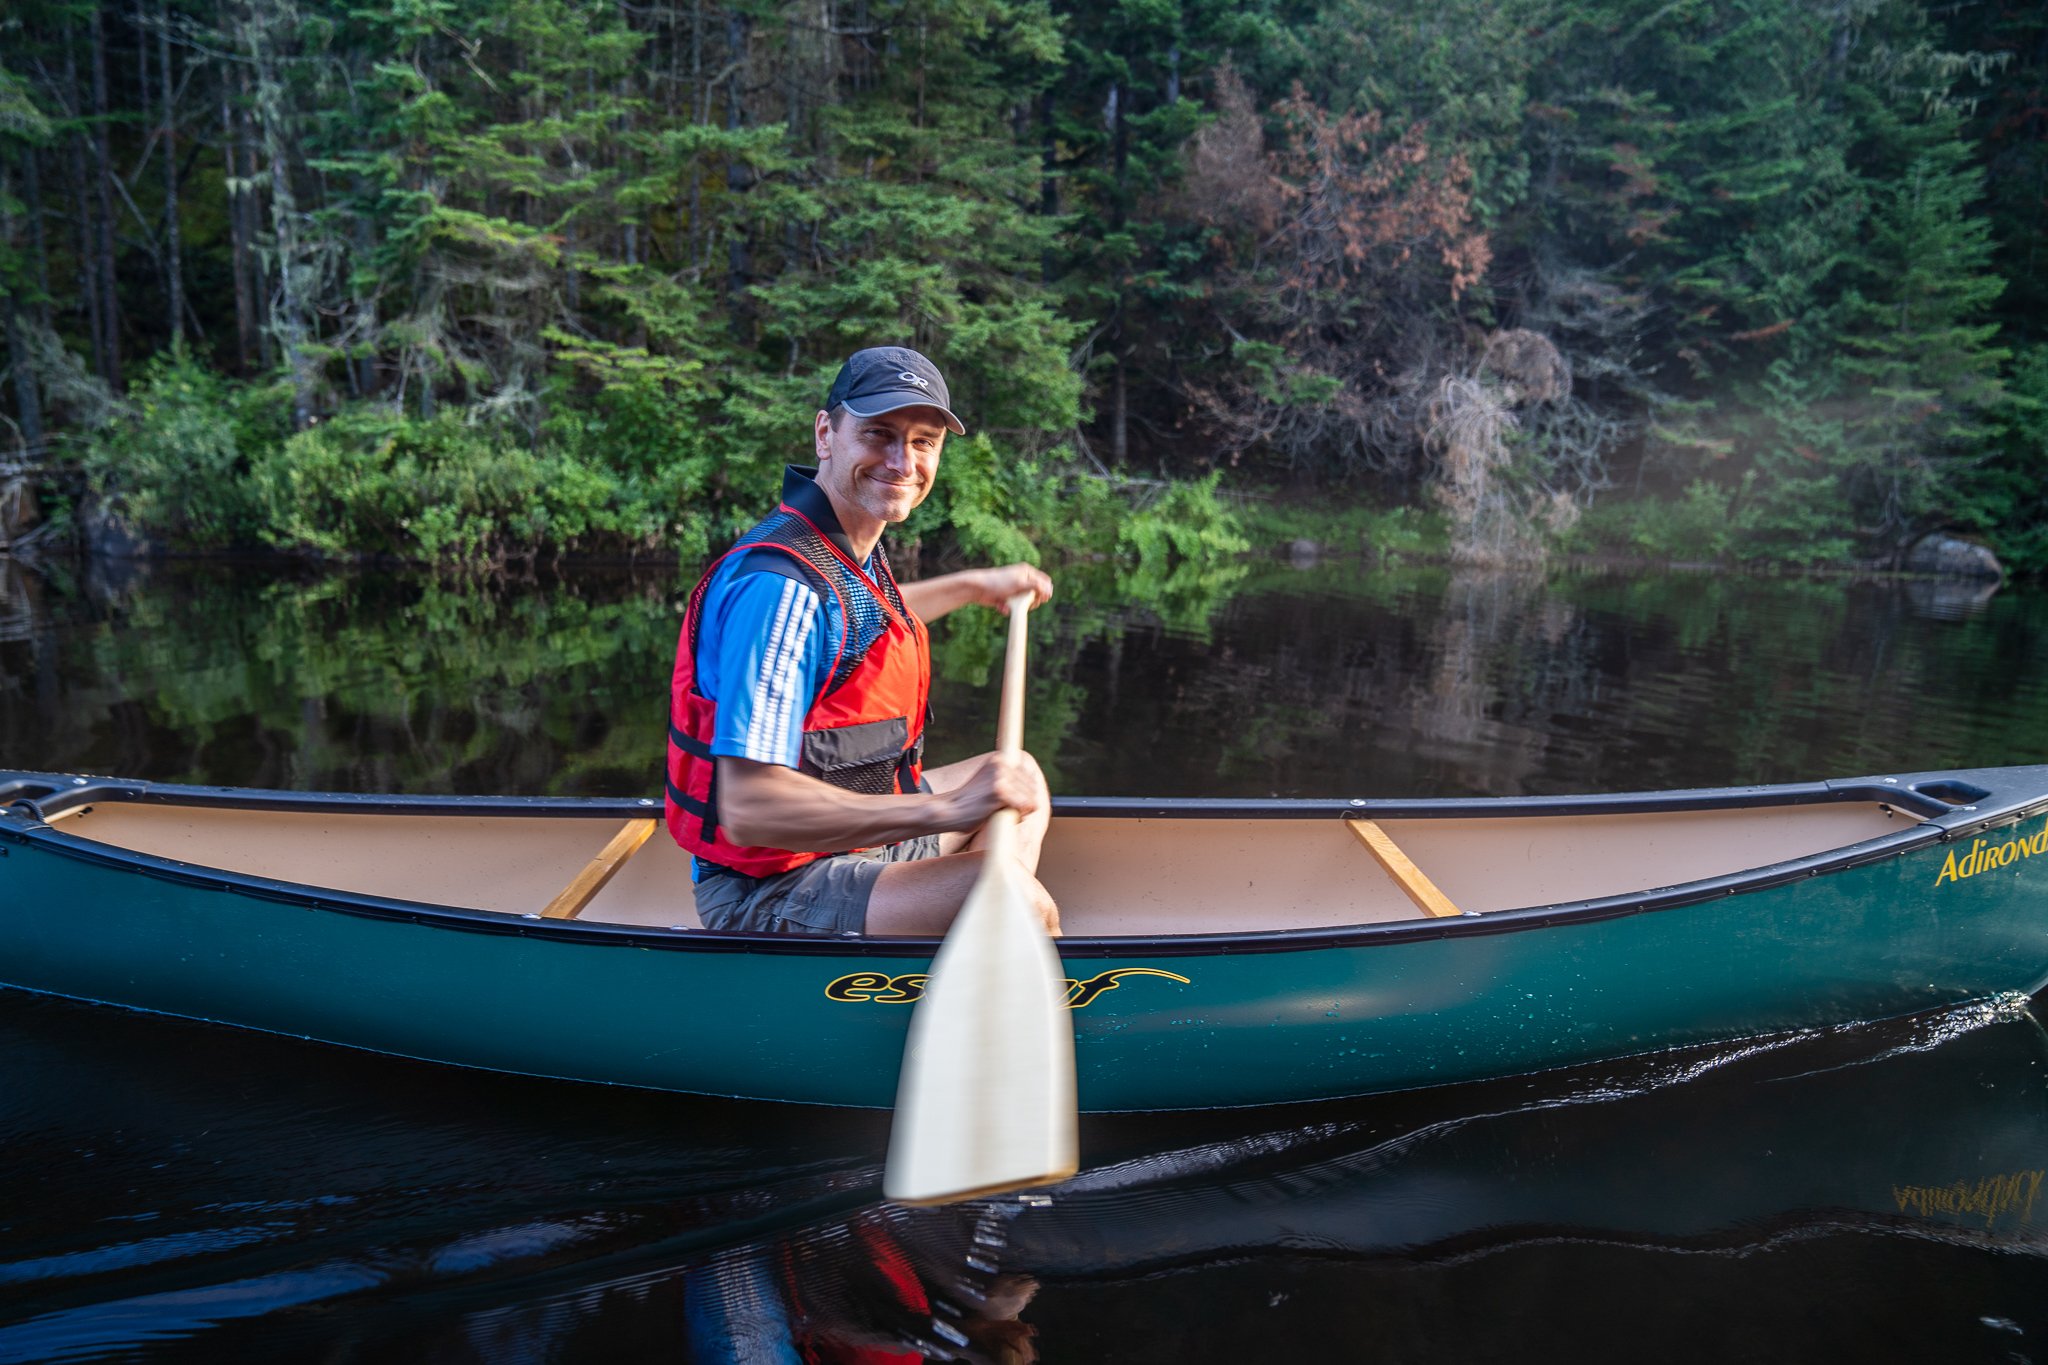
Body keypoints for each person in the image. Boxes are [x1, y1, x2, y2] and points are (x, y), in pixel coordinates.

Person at [665, 345, 1058, 938]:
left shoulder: (840, 551)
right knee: (1020, 899)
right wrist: (947, 810)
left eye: (924, 441)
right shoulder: (780, 589)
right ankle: (995, 947)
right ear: (827, 433)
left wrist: (975, 585)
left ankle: (961, 947)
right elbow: (749, 810)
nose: (903, 461)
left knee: (1017, 773)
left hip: (850, 849)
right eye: (879, 434)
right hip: (769, 888)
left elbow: (858, 625)